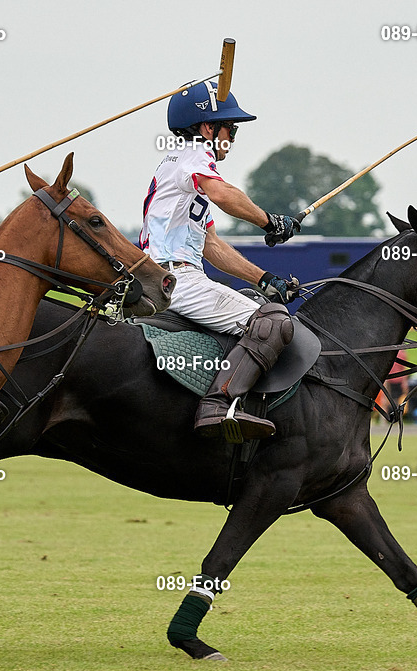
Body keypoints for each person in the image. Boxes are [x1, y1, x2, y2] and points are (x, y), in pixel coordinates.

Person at [140, 80, 300, 441]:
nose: (233, 134)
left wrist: (264, 279)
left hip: (172, 274)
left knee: (264, 304)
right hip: (176, 280)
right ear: (208, 128)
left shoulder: (177, 165)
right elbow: (222, 192)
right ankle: (219, 404)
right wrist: (268, 221)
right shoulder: (196, 154)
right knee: (272, 323)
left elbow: (211, 244)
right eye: (230, 126)